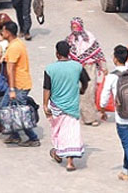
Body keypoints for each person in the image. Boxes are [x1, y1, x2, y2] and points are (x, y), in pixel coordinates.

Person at [100, 45, 128, 189]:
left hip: (122, 117)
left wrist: (102, 109)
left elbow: (103, 99)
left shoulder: (112, 77)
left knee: (127, 145)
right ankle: (125, 171)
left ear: (115, 58)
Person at [43, 40, 90, 171]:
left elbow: (47, 88)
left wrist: (45, 105)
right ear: (69, 53)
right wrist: (82, 90)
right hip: (72, 106)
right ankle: (70, 161)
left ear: (57, 54)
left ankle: (58, 152)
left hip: (56, 106)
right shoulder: (77, 66)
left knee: (58, 131)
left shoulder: (50, 69)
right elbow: (85, 82)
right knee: (71, 132)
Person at [0, 21, 40, 146]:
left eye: (3, 30)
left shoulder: (14, 47)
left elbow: (10, 69)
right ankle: (15, 134)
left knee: (20, 113)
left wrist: (11, 89)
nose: (2, 33)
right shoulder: (16, 44)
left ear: (8, 32)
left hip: (19, 85)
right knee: (5, 106)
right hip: (18, 83)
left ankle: (33, 138)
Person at [65, 17, 106, 125]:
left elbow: (98, 53)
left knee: (89, 92)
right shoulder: (69, 39)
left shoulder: (90, 38)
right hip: (75, 68)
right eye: (72, 27)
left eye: (76, 26)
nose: (74, 29)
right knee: (76, 92)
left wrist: (103, 67)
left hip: (89, 67)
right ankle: (75, 115)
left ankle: (91, 118)